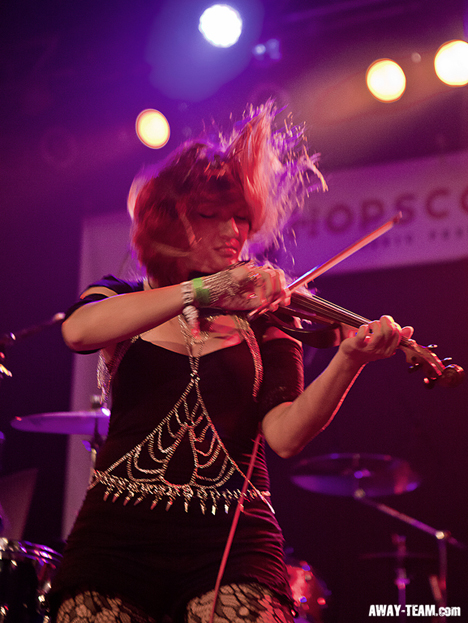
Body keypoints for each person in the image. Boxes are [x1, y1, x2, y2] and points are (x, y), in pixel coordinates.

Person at [49, 102, 413, 623]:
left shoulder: (267, 318)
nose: (234, 231)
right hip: (117, 532)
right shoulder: (121, 295)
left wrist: (349, 359)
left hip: (234, 533)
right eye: (211, 215)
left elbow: (285, 435)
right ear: (168, 220)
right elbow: (78, 331)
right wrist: (207, 289)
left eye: (241, 217)